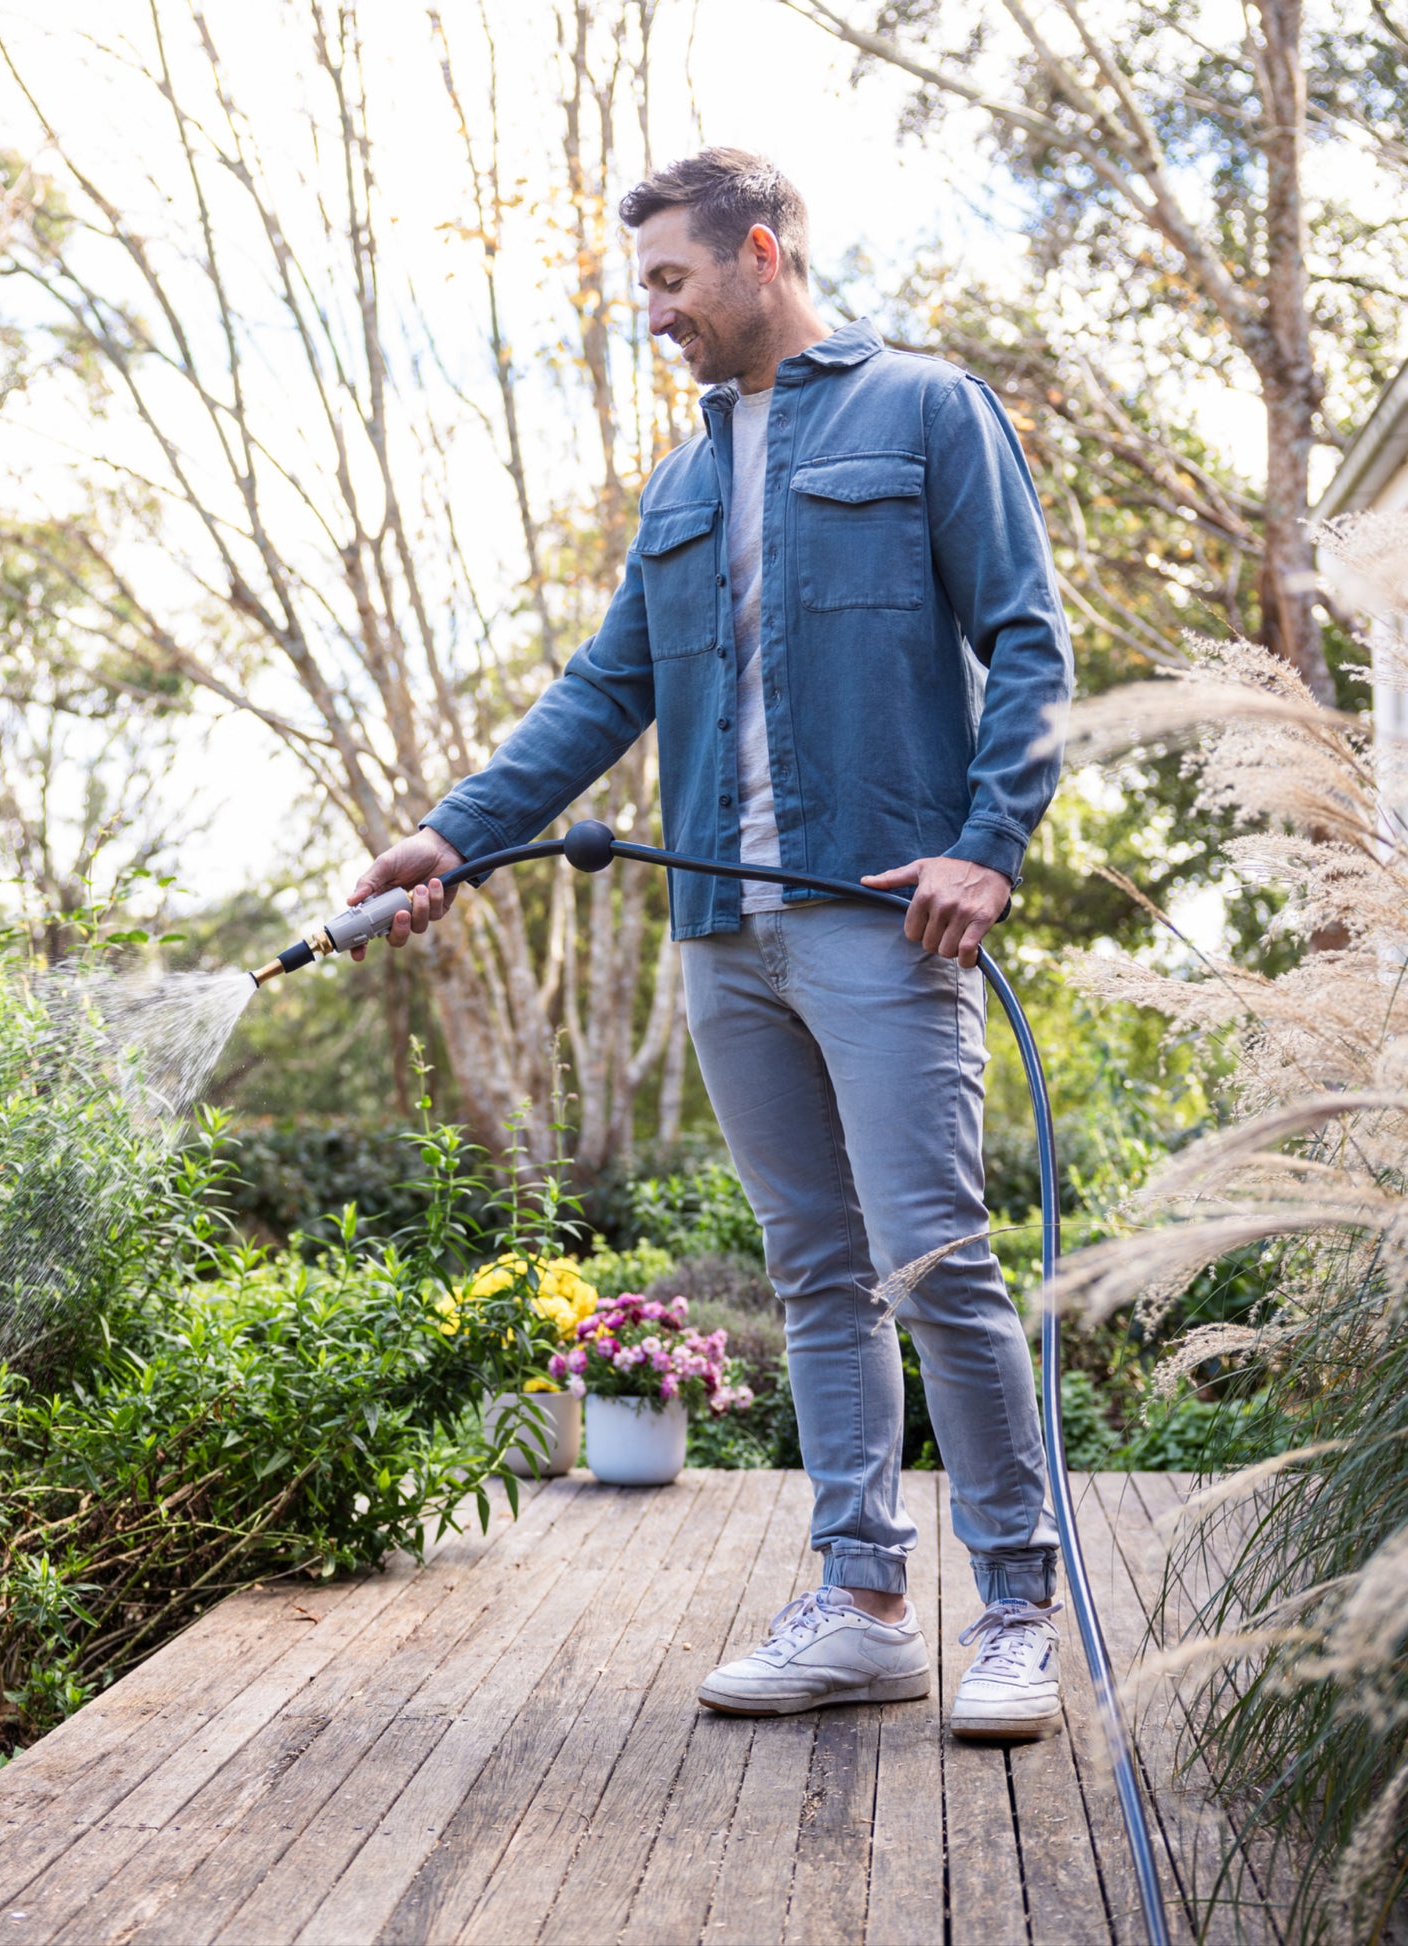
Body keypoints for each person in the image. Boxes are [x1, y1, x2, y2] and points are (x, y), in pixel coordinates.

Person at [346, 147, 1073, 1741]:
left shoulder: (926, 412)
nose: (655, 314)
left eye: (671, 281)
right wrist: (451, 835)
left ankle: (1017, 1605)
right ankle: (861, 1602)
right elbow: (605, 690)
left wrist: (985, 846)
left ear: (757, 254)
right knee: (816, 1273)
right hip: (718, 930)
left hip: (878, 915)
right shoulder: (680, 485)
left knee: (935, 1263)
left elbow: (1026, 638)